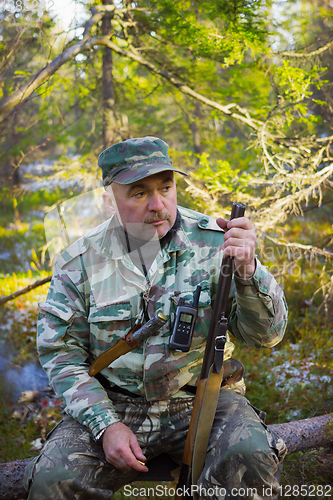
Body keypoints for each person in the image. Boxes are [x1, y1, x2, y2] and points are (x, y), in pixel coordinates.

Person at [24, 136, 288, 500]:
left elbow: (267, 336)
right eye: (139, 193)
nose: (158, 204)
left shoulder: (216, 243)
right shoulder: (80, 261)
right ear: (110, 199)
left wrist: (248, 270)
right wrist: (106, 425)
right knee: (52, 480)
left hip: (205, 398)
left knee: (248, 458)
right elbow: (61, 354)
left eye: (166, 187)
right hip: (116, 403)